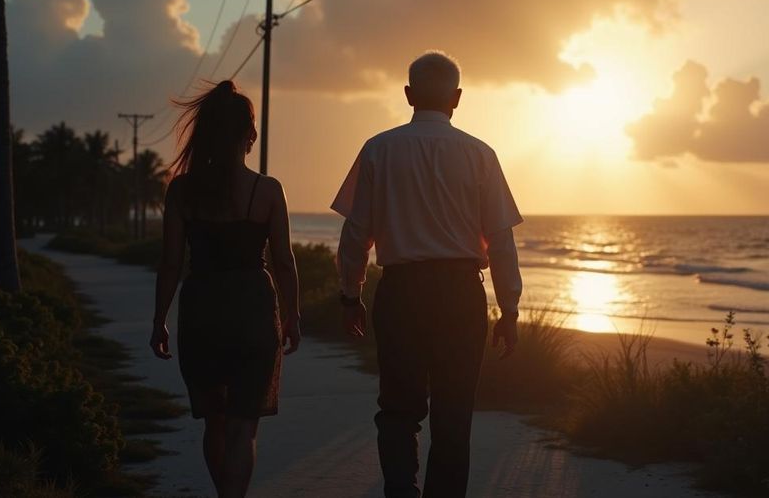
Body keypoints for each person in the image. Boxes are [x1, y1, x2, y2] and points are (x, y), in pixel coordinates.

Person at [332, 51, 524, 498]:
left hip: (400, 293)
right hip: (460, 296)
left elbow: (356, 233)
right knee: (454, 414)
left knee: (399, 406)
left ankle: (401, 490)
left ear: (408, 95)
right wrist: (509, 310)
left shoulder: (378, 149)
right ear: (457, 98)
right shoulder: (481, 155)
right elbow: (500, 242)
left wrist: (349, 295)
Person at [148, 80, 302, 498]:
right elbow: (284, 262)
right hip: (253, 309)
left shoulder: (182, 191)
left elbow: (170, 263)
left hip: (202, 311)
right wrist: (293, 315)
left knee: (216, 421)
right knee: (242, 426)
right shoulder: (267, 191)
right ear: (249, 136)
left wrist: (160, 319)